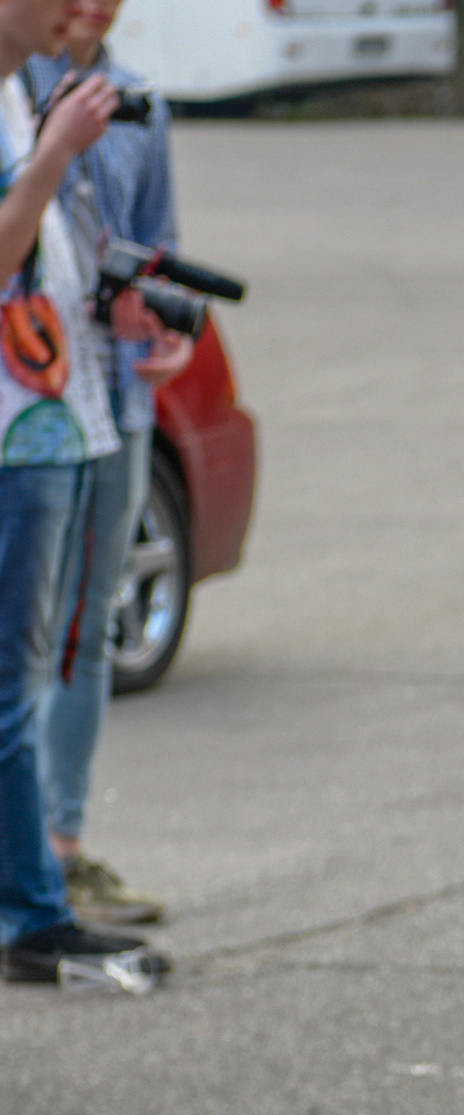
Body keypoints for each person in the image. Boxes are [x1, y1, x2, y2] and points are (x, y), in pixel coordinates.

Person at [0, 0, 160, 985]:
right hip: (17, 434)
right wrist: (57, 151)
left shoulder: (23, 91)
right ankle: (32, 911)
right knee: (14, 684)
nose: (79, 7)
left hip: (56, 418)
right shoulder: (33, 107)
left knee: (32, 670)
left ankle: (36, 900)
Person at [29, 0, 187, 928]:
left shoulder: (138, 104)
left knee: (88, 631)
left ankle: (62, 848)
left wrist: (160, 319)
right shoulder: (18, 93)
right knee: (26, 634)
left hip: (117, 399)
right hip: (29, 401)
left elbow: (154, 245)